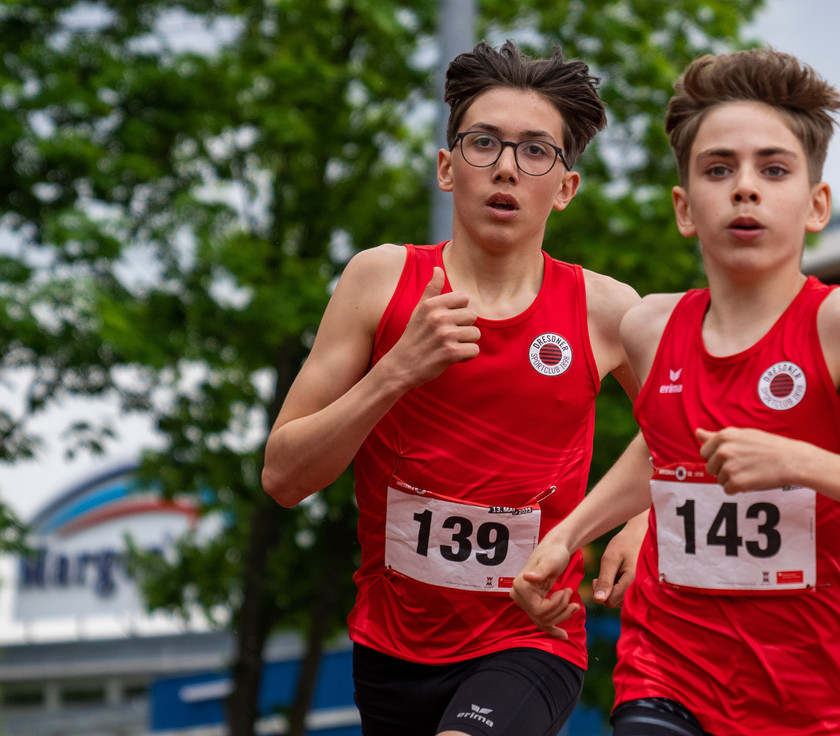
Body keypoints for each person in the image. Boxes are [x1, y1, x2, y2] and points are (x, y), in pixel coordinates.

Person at [511, 48, 840, 735]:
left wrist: (798, 462)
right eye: (718, 169)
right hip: (665, 672)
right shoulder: (650, 327)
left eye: (773, 169)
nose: (745, 188)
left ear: (816, 204)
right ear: (684, 207)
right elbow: (666, 448)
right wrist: (571, 533)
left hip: (807, 703)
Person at [261, 41, 645, 736]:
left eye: (535, 151)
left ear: (565, 187)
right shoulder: (379, 282)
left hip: (531, 637)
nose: (505, 166)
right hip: (390, 646)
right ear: (446, 168)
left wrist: (644, 521)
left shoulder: (606, 310)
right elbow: (284, 475)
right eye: (483, 143)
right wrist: (397, 370)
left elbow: (699, 426)